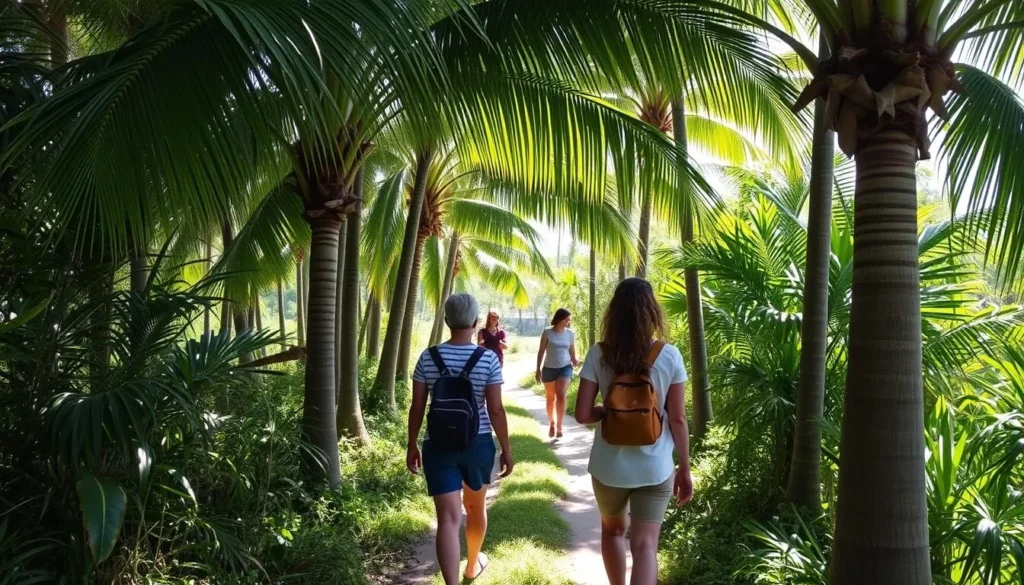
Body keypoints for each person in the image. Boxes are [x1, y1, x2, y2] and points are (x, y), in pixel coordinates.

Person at [574, 278, 694, 585]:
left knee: (613, 531)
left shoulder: (598, 354)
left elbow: (583, 414)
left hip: (608, 467)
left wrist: (608, 411)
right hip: (655, 467)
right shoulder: (669, 355)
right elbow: (678, 419)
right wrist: (685, 468)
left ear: (614, 313)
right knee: (645, 546)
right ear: (652, 312)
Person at [406, 294, 514, 584]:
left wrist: (411, 444)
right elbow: (495, 409)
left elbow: (417, 407)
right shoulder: (488, 358)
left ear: (446, 321)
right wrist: (506, 448)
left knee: (448, 519)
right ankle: (471, 565)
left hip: (437, 445)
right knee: (476, 508)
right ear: (475, 322)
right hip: (477, 444)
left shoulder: (428, 357)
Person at [536, 308, 578, 438]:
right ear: (560, 319)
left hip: (565, 367)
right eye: (567, 319)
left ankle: (560, 426)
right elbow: (541, 351)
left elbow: (572, 351)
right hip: (549, 368)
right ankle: (552, 423)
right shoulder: (547, 332)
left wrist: (574, 359)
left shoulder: (570, 333)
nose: (568, 322)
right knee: (551, 398)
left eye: (569, 320)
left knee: (561, 395)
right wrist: (538, 369)